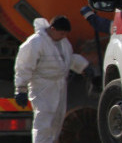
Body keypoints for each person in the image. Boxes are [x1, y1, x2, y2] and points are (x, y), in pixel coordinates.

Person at [13, 15, 89, 143]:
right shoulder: (35, 43)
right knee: (43, 122)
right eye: (61, 33)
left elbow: (68, 59)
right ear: (52, 29)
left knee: (57, 121)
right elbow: (23, 66)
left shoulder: (62, 42)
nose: (64, 36)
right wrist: (21, 89)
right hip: (42, 87)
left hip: (59, 86)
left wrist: (84, 67)